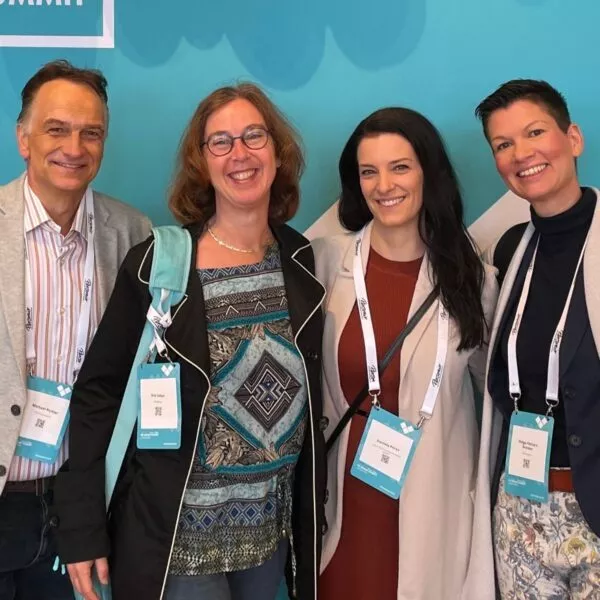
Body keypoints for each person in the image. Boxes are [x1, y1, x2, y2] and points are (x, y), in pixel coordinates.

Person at [53, 82, 326, 600]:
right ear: (202, 162)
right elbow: (99, 394)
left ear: (278, 151)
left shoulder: (300, 260)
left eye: (254, 136)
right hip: (177, 546)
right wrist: (82, 524)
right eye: (220, 142)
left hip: (269, 542)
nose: (239, 154)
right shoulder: (160, 264)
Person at [313, 107, 498, 600]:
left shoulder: (472, 279)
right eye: (368, 171)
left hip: (435, 502)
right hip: (345, 504)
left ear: (427, 173)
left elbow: (495, 397)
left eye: (400, 167)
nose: (384, 185)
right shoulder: (326, 263)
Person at [0, 60, 151, 600]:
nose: (74, 147)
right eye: (56, 129)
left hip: (83, 507)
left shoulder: (133, 235)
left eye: (91, 133)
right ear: (23, 138)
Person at [470, 79, 600, 599]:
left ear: (573, 138)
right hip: (520, 510)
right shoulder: (508, 252)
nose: (521, 153)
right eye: (503, 144)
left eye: (535, 132)